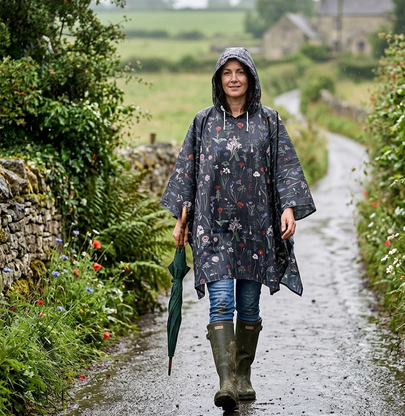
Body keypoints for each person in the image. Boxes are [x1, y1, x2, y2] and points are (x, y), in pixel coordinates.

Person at [160, 47, 316, 412]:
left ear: (250, 78)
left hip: (256, 227)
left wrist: (289, 208)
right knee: (221, 301)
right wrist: (181, 222)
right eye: (226, 72)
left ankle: (244, 375)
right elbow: (187, 174)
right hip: (211, 226)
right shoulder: (202, 122)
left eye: (239, 71)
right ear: (218, 79)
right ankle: (226, 381)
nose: (233, 78)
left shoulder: (270, 122)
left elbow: (286, 168)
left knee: (248, 303)